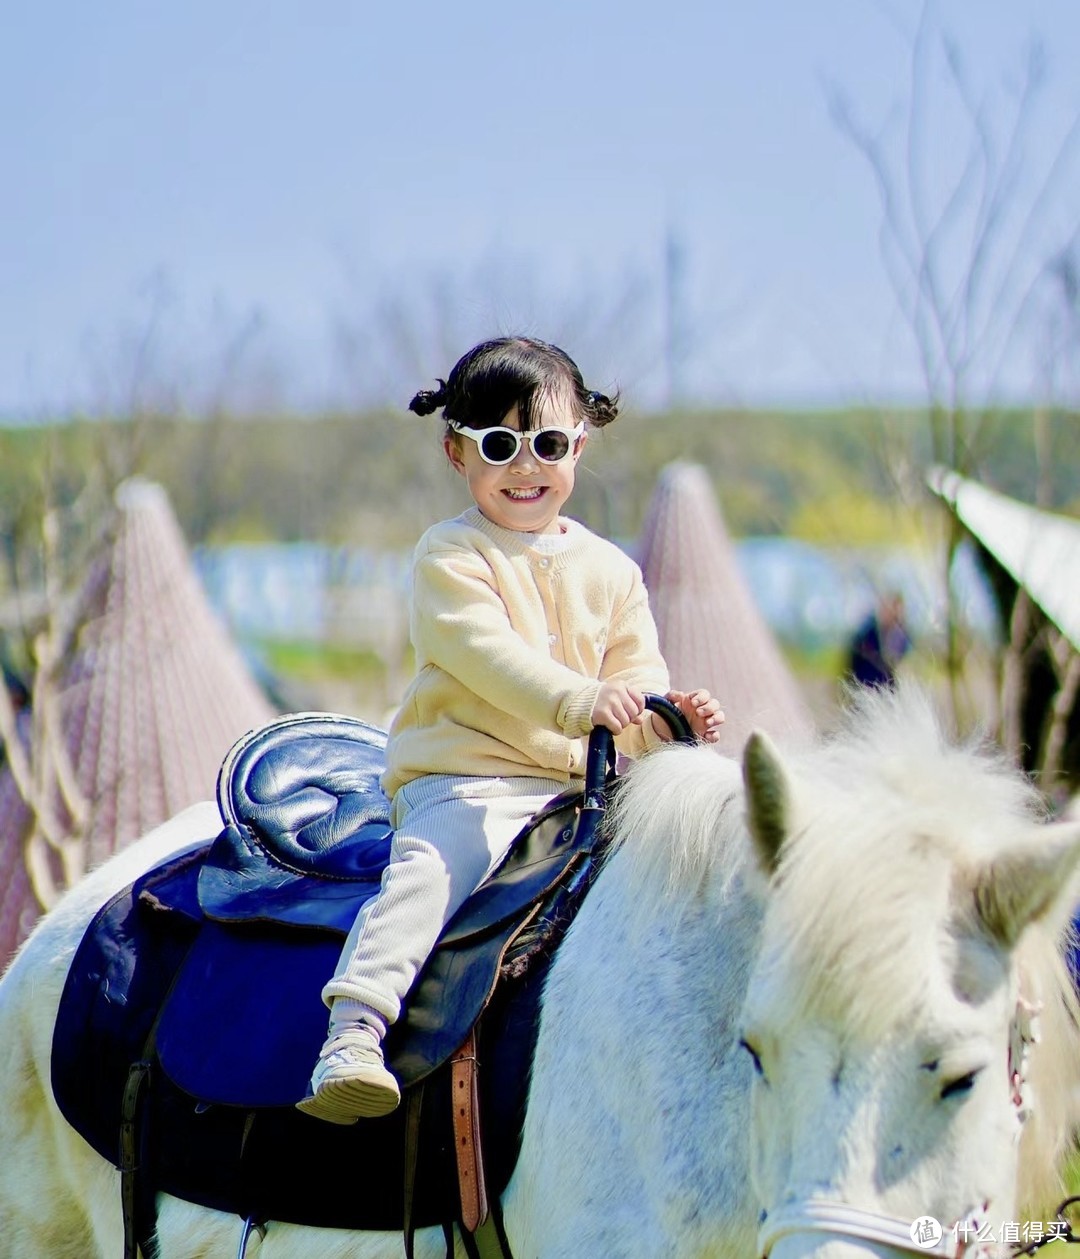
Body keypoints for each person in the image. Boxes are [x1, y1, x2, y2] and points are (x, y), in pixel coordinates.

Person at [297, 336, 724, 1125]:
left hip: (580, 796)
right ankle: (353, 1030)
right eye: (500, 445)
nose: (526, 466)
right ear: (457, 453)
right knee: (429, 874)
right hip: (470, 783)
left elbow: (633, 688)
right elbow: (489, 657)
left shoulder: (614, 570)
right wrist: (586, 700)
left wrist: (668, 721)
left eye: (549, 445)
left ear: (580, 446)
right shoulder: (450, 556)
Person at [847, 591, 910, 689]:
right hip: (865, 686)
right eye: (892, 608)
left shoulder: (900, 635)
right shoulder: (868, 632)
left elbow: (895, 661)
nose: (895, 614)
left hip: (885, 688)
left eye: (898, 611)